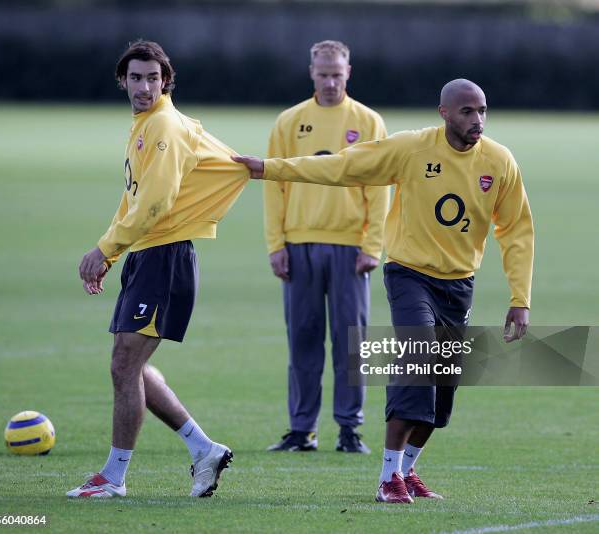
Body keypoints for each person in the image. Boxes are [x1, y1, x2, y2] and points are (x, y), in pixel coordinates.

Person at [233, 78, 534, 503]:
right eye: (467, 111)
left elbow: (517, 231)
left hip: (459, 284)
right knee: (417, 360)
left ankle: (408, 471)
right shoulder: (411, 149)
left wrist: (520, 299)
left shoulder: (500, 162)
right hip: (409, 274)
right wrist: (269, 168)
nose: (477, 120)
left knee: (442, 395)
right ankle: (387, 478)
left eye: (482, 110)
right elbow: (341, 166)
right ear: (444, 113)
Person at [68, 40, 250, 498]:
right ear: (122, 81)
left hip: (164, 256)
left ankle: (113, 477)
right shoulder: (144, 126)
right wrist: (109, 254)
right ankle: (203, 448)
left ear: (166, 81)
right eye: (136, 78)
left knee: (124, 364)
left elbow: (155, 202)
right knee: (129, 366)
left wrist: (105, 247)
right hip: (145, 255)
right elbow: (132, 198)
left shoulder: (164, 125)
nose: (144, 86)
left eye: (153, 78)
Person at [264, 40, 390, 454]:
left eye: (337, 74)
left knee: (351, 341)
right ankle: (302, 430)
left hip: (350, 249)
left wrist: (373, 245)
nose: (331, 82)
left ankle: (349, 429)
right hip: (299, 246)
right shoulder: (289, 122)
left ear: (348, 72)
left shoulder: (368, 122)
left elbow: (380, 188)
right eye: (323, 74)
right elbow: (275, 187)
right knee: (303, 339)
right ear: (311, 73)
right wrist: (276, 244)